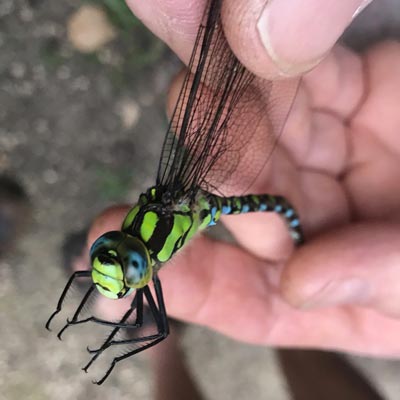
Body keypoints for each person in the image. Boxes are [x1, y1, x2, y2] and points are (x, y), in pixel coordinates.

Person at [88, 0, 400, 363]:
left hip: (248, 201)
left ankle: (160, 357)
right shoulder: (139, 248)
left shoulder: (147, 252)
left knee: (242, 42)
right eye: (132, 272)